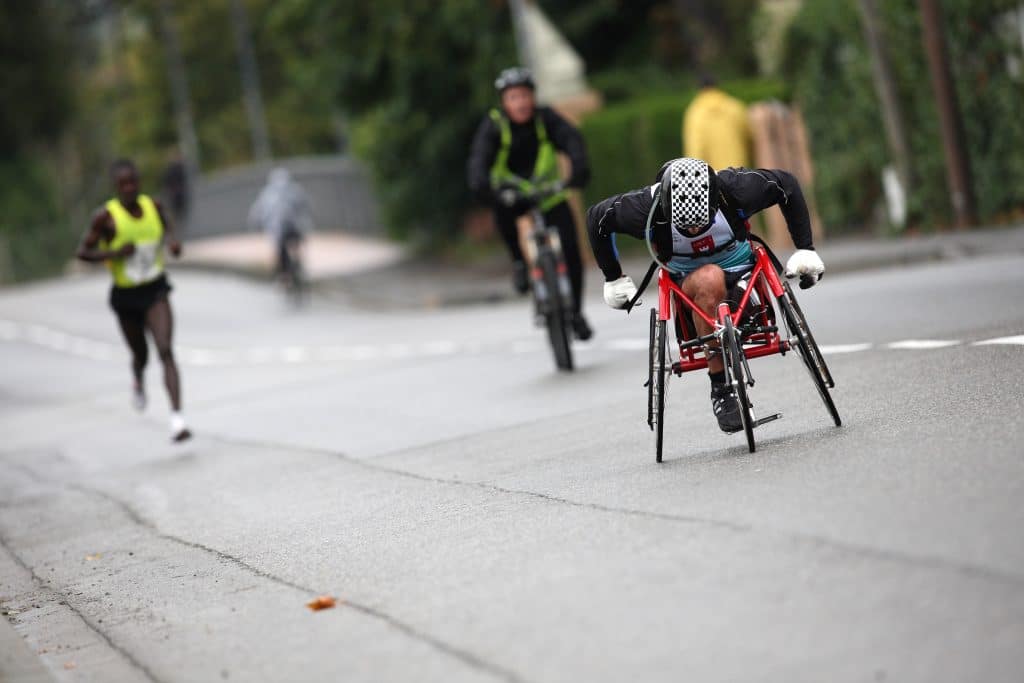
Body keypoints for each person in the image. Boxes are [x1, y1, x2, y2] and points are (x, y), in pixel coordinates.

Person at [586, 157, 825, 433]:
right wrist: (613, 277)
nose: (695, 232)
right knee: (710, 278)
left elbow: (788, 185)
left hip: (740, 266)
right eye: (687, 227)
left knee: (740, 299)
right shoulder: (643, 208)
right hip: (689, 280)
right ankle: (721, 388)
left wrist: (805, 247)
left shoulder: (734, 188)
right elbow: (596, 218)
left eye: (702, 223)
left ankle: (743, 314)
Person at [467, 66, 593, 340]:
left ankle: (576, 313)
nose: (521, 103)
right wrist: (483, 187)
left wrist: (577, 172)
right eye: (514, 97)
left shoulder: (545, 119)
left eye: (525, 96)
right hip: (511, 195)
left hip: (549, 193)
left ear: (533, 97)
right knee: (503, 213)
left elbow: (572, 141)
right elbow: (479, 160)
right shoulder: (494, 125)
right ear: (504, 102)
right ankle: (519, 263)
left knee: (571, 249)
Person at [77, 159, 191, 442]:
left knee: (165, 349)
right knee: (142, 354)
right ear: (115, 187)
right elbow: (82, 252)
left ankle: (177, 420)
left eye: (133, 182)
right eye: (122, 184)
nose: (129, 188)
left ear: (139, 182)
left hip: (155, 290)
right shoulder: (106, 218)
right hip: (126, 296)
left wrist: (173, 245)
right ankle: (138, 377)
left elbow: (168, 229)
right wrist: (113, 254)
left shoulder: (154, 206)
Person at [247, 167, 313, 285]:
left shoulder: (268, 193)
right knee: (296, 244)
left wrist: (254, 224)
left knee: (280, 249)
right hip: (295, 227)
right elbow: (306, 204)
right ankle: (297, 265)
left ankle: (285, 275)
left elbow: (257, 211)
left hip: (279, 229)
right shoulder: (295, 189)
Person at [683, 74, 752, 171]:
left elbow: (695, 150)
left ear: (698, 89)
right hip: (740, 173)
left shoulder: (695, 112)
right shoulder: (735, 106)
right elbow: (750, 138)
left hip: (714, 177)